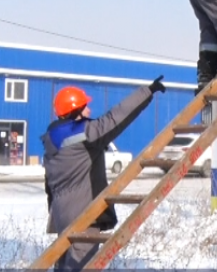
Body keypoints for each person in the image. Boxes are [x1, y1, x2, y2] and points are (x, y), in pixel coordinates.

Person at [42, 77, 167, 272]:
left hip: (61, 215)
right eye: (84, 107)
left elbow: (49, 185)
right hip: (84, 214)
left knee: (65, 266)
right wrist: (147, 92)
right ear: (74, 111)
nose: (89, 111)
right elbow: (115, 118)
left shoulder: (52, 139)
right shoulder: (84, 134)